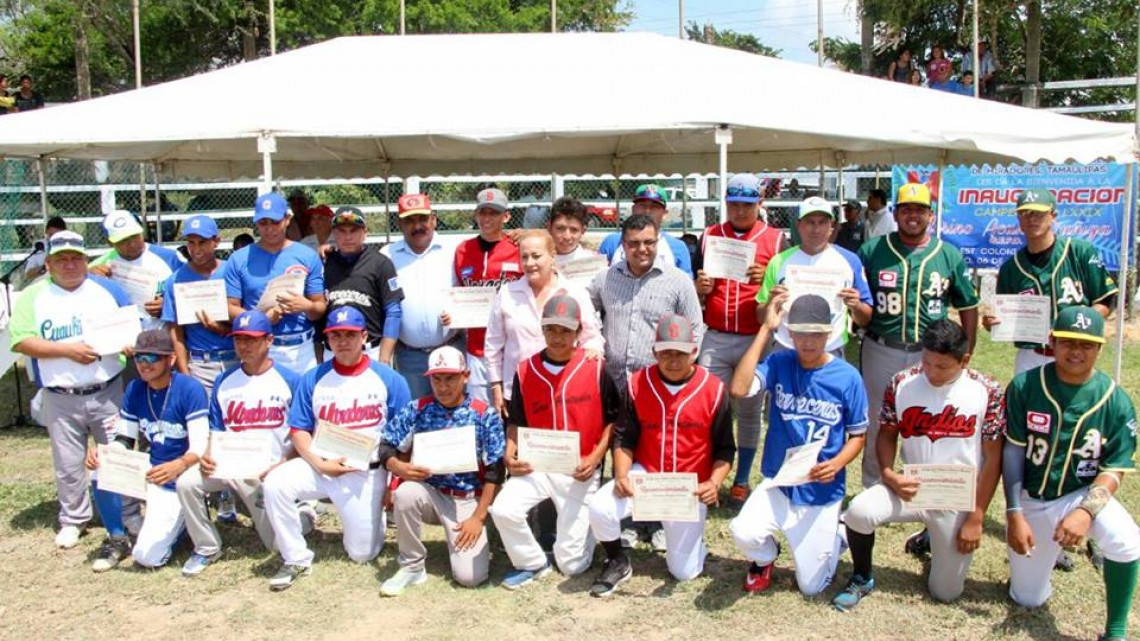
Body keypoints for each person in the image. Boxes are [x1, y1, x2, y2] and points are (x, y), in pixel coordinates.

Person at [831, 320, 1004, 611]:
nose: (932, 372)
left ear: (965, 360)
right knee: (859, 512)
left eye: (942, 367)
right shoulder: (903, 381)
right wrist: (888, 474)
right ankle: (861, 577)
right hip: (913, 487)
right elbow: (886, 434)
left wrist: (976, 517)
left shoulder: (987, 389)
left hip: (957, 496)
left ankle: (933, 539)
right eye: (927, 362)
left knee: (945, 593)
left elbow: (993, 459)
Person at [1002, 306, 1139, 641]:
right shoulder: (1025, 386)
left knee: (1127, 541)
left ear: (1099, 349)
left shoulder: (1115, 400)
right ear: (1052, 342)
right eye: (1068, 341)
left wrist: (1085, 510)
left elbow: (1114, 468)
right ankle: (1035, 571)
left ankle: (1116, 631)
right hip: (1031, 498)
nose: (1076, 351)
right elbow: (1013, 450)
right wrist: (1014, 513)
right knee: (1028, 598)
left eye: (1087, 344)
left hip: (1079, 493)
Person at [261, 306, 410, 590]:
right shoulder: (314, 378)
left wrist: (395, 483)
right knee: (276, 483)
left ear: (364, 336)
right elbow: (299, 430)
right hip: (321, 465)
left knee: (362, 554)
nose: (343, 341)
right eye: (335, 335)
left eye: (350, 334)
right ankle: (295, 557)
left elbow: (404, 436)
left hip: (364, 471)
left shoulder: (388, 378)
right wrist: (318, 463)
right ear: (327, 339)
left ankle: (370, 519)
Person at [727, 294, 867, 596]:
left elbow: (858, 436)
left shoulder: (847, 377)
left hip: (820, 488)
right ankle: (766, 558)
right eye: (801, 333)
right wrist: (766, 329)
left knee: (811, 588)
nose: (807, 341)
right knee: (743, 531)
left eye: (816, 333)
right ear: (790, 333)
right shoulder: (780, 362)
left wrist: (838, 463)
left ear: (828, 333)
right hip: (780, 482)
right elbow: (738, 388)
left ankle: (838, 534)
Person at [586, 315, 734, 596]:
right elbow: (624, 437)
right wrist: (621, 475)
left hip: (688, 488)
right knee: (601, 506)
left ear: (694, 351)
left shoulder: (714, 390)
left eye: (680, 352)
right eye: (666, 352)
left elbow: (726, 448)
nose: (673, 360)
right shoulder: (637, 383)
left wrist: (714, 484)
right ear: (654, 352)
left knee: (683, 572)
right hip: (648, 476)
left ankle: (695, 546)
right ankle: (618, 559)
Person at [9, 231, 134, 549]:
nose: (69, 265)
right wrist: (68, 350)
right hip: (61, 395)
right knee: (67, 463)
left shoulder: (107, 290)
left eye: (75, 258)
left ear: (85, 260)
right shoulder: (33, 296)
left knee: (119, 454)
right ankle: (74, 519)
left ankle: (130, 513)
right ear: (48, 263)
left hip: (107, 389)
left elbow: (132, 327)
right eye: (61, 259)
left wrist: (131, 344)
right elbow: (21, 340)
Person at [489, 295, 621, 588]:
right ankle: (532, 562)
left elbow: (614, 420)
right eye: (552, 329)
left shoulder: (596, 367)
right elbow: (516, 421)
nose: (558, 337)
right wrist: (509, 454)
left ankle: (587, 531)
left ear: (578, 332)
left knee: (571, 565)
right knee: (502, 508)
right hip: (538, 466)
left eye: (566, 330)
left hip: (579, 470)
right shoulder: (525, 369)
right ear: (542, 329)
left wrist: (596, 458)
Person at [857, 183, 979, 489]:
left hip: (931, 354)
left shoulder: (948, 254)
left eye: (920, 210)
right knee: (876, 421)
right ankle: (874, 487)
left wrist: (967, 352)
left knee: (927, 421)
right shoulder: (873, 250)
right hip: (881, 347)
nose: (913, 215)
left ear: (931, 215)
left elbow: (968, 305)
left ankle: (928, 491)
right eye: (906, 209)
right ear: (896, 213)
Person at [175, 310, 301, 577]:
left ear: (269, 340)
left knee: (276, 546)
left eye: (251, 339)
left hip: (272, 468)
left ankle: (301, 517)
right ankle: (207, 547)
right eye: (238, 339)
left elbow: (302, 431)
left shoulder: (289, 380)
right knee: (187, 482)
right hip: (230, 463)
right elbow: (216, 428)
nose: (243, 345)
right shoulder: (224, 380)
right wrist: (208, 455)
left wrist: (285, 462)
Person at [378, 345, 506, 595]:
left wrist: (478, 517)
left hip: (468, 500)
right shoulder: (418, 409)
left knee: (470, 578)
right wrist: (397, 466)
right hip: (432, 494)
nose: (443, 386)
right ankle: (412, 566)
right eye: (437, 378)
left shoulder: (483, 414)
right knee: (406, 493)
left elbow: (495, 470)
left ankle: (481, 533)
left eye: (450, 378)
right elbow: (386, 445)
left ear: (465, 376)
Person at [693, 173, 787, 508]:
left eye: (747, 204)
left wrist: (769, 275)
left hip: (754, 338)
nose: (740, 210)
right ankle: (707, 474)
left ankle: (742, 479)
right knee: (709, 409)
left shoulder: (775, 240)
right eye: (733, 203)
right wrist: (700, 287)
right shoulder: (710, 235)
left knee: (748, 410)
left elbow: (785, 286)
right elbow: (697, 284)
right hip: (715, 335)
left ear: (760, 204)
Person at [85, 330, 210, 571]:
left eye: (153, 358)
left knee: (147, 557)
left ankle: (184, 523)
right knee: (99, 471)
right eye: (139, 357)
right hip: (151, 471)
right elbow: (124, 438)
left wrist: (178, 466)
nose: (144, 364)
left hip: (180, 478)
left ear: (171, 359)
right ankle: (117, 537)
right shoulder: (135, 388)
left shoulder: (189, 388)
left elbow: (200, 447)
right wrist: (106, 452)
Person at [985, 188, 1117, 375]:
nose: (1032, 218)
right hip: (1031, 355)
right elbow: (1006, 318)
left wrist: (1074, 325)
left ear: (1052, 216)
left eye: (1039, 213)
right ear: (1019, 220)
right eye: (1025, 213)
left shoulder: (1080, 252)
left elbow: (1105, 300)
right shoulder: (1010, 268)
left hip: (1074, 352)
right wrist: (994, 324)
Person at [485, 230, 604, 417]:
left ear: (552, 256)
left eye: (536, 256)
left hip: (563, 389)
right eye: (524, 257)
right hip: (517, 391)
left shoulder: (574, 292)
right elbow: (493, 345)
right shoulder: (507, 293)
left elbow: (592, 337)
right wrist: (497, 388)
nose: (529, 263)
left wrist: (592, 352)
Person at [588, 214, 705, 391]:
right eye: (634, 243)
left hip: (657, 385)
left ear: (657, 242)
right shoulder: (605, 279)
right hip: (611, 383)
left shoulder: (679, 281)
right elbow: (583, 313)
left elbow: (695, 329)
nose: (642, 249)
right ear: (623, 244)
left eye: (649, 242)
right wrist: (591, 344)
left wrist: (678, 372)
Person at [757, 196, 872, 359]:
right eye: (810, 222)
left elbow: (865, 318)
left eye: (822, 222)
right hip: (786, 348)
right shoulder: (779, 261)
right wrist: (771, 303)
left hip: (830, 350)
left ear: (832, 226)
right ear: (799, 225)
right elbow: (761, 317)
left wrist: (856, 306)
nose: (816, 229)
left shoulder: (850, 260)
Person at [225, 192, 326, 375]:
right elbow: (230, 307)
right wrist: (260, 320)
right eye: (263, 223)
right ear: (256, 223)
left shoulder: (306, 255)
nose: (269, 229)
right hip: (258, 346)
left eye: (275, 222)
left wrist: (307, 306)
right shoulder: (239, 259)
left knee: (302, 402)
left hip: (301, 349)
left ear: (287, 219)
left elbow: (320, 306)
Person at [381, 194, 460, 399]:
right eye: (409, 220)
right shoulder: (387, 255)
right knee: (417, 415)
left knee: (455, 419)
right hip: (410, 357)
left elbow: (470, 291)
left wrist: (458, 314)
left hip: (451, 349)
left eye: (422, 219)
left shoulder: (454, 250)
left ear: (433, 219)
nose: (417, 226)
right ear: (399, 223)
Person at [449, 187, 523, 403]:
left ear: (506, 216)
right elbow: (457, 293)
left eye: (494, 212)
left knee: (512, 409)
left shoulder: (518, 247)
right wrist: (451, 313)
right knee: (481, 411)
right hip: (476, 347)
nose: (487, 218)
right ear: (476, 214)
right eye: (483, 212)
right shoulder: (463, 249)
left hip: (511, 347)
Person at [161, 214, 235, 394]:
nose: (196, 249)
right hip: (201, 363)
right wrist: (185, 372)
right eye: (191, 243)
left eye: (202, 242)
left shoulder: (232, 271)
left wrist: (222, 329)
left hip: (236, 357)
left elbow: (246, 316)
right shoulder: (175, 280)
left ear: (216, 241)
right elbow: (175, 331)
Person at [323, 206, 403, 364]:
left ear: (365, 232)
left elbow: (393, 311)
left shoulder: (380, 263)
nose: (348, 236)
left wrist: (385, 357)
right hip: (332, 351)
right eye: (342, 231)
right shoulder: (325, 262)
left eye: (354, 230)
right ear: (334, 233)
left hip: (370, 350)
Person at [89, 209, 185, 332]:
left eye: (134, 236)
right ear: (109, 242)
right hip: (125, 340)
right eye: (122, 240)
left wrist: (168, 306)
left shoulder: (171, 258)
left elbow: (193, 293)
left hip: (166, 338)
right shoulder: (100, 266)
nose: (131, 244)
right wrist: (89, 277)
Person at [597, 184, 694, 277]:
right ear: (633, 209)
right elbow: (597, 279)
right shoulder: (612, 242)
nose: (647, 211)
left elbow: (686, 286)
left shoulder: (677, 247)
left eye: (654, 207)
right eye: (642, 206)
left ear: (664, 214)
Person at [547, 196, 598, 267]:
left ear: (583, 231)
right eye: (560, 228)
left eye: (574, 230)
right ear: (549, 228)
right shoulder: (535, 264)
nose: (567, 237)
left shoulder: (594, 262)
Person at [23, 215, 67, 281]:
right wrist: (44, 268)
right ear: (46, 233)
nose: (53, 238)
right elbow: (28, 274)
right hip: (41, 284)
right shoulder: (39, 245)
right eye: (50, 235)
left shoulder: (69, 246)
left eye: (57, 236)